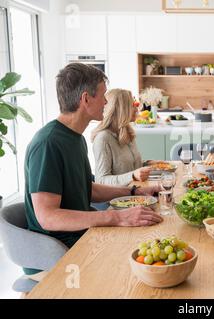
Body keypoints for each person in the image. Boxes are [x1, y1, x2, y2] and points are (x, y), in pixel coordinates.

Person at [24, 63, 163, 277]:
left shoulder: (75, 139)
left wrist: (134, 192)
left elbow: (87, 189)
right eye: (103, 95)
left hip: (84, 237)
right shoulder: (48, 144)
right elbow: (48, 217)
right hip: (60, 254)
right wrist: (117, 218)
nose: (106, 102)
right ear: (86, 99)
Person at [92, 89, 152, 186]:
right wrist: (132, 176)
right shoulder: (103, 139)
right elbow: (101, 181)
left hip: (135, 194)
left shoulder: (127, 132)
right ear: (122, 109)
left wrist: (150, 164)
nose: (137, 110)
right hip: (116, 199)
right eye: (132, 106)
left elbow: (132, 166)